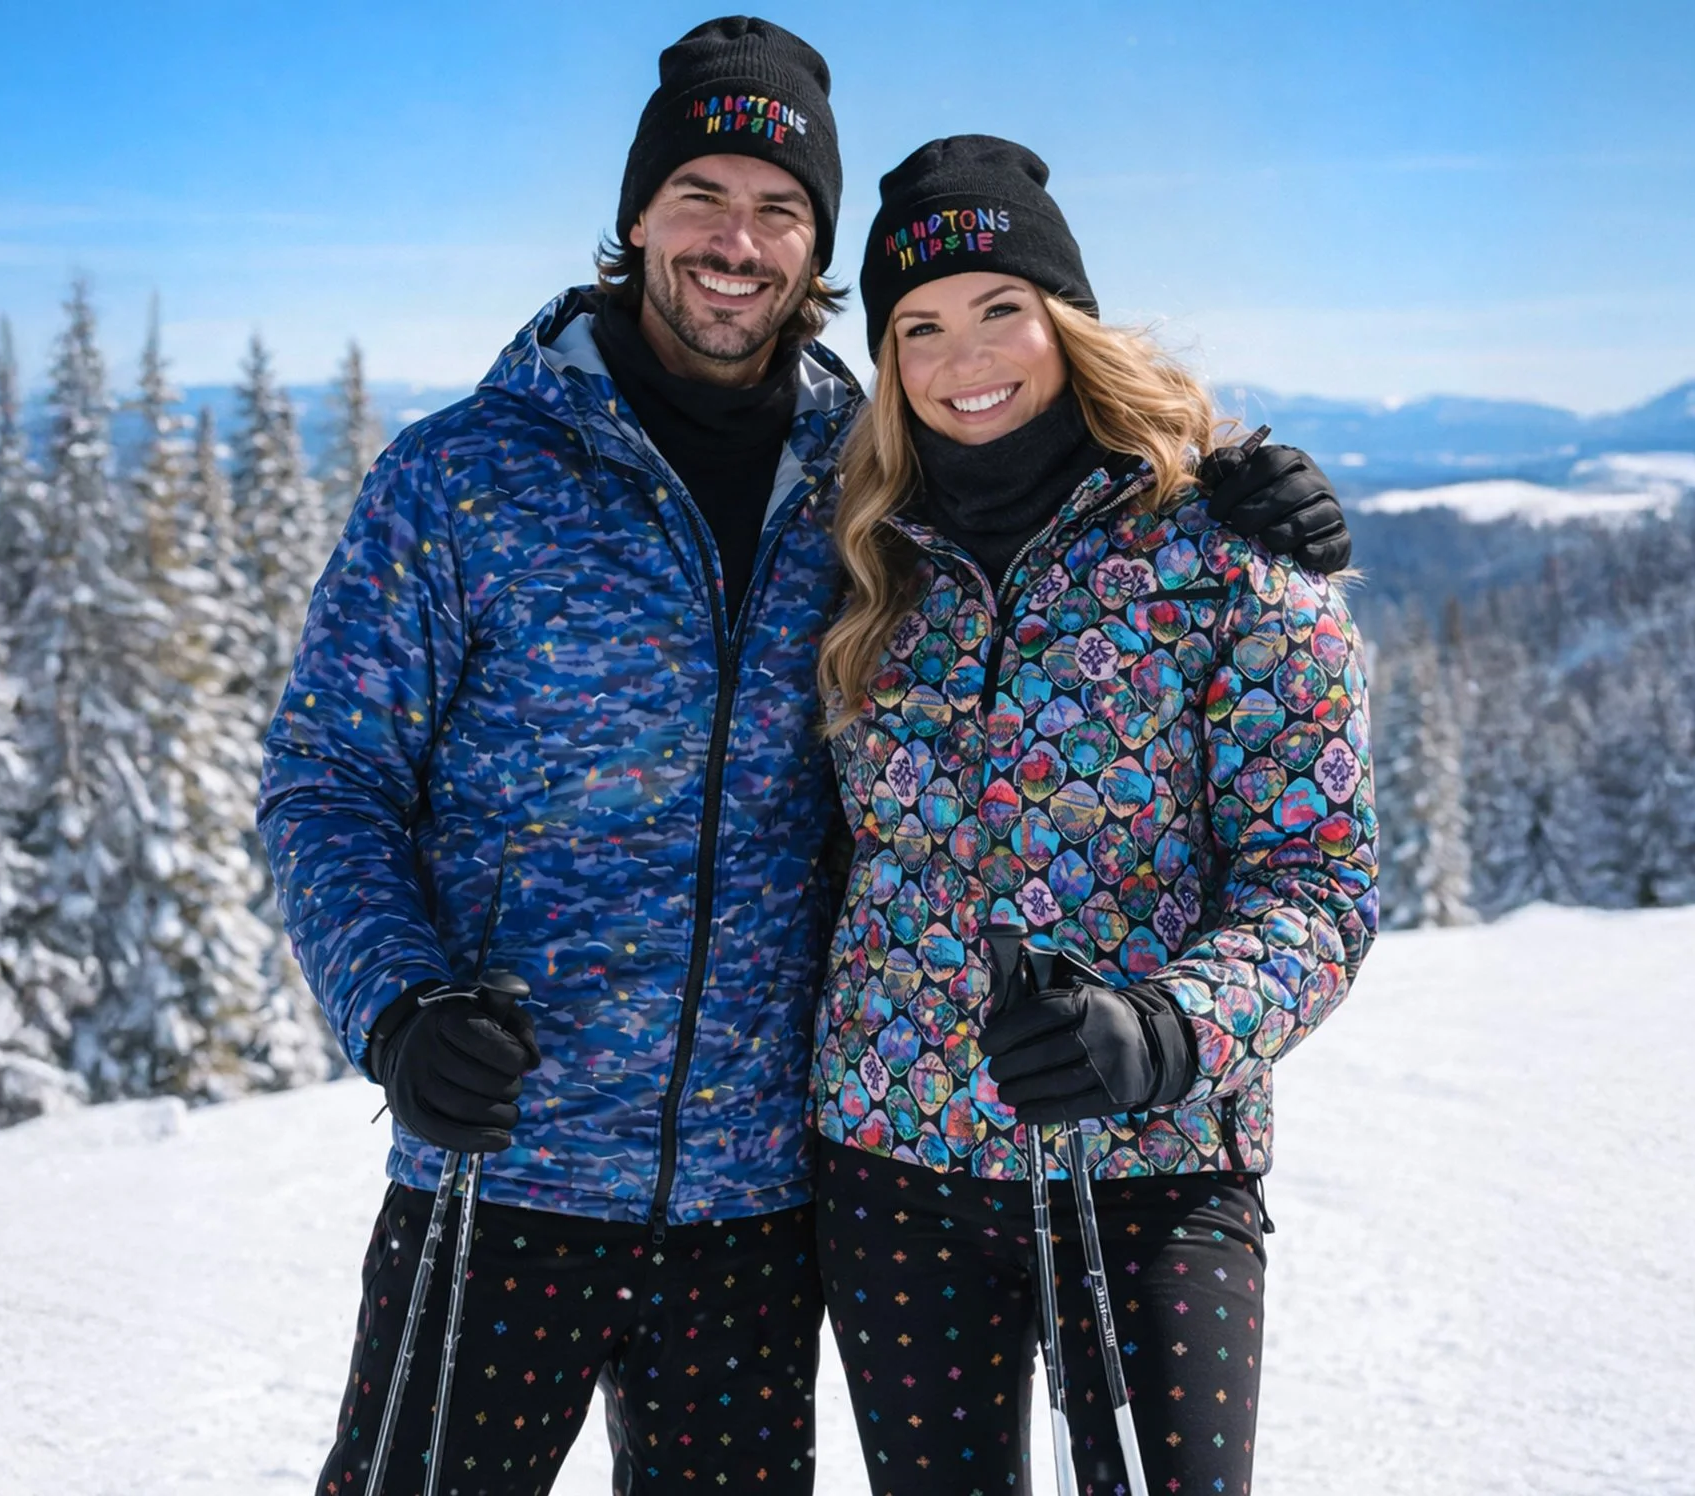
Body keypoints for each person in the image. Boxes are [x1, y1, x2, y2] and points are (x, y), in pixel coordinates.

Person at [261, 18, 1352, 1492]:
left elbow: (1058, 497)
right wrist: (395, 1010)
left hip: (759, 1207)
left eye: (780, 209)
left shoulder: (865, 477)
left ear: (815, 249)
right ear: (636, 214)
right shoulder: (466, 480)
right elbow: (329, 782)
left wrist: (1235, 481)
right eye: (701, 193)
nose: (737, 239)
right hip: (508, 1159)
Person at [811, 136, 1380, 1496]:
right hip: (894, 1159)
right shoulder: (854, 555)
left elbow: (1319, 888)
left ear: (1066, 320)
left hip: (1155, 1163)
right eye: (919, 329)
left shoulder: (1229, 551)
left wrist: (1167, 1032)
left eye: (1002, 307)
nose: (965, 359)